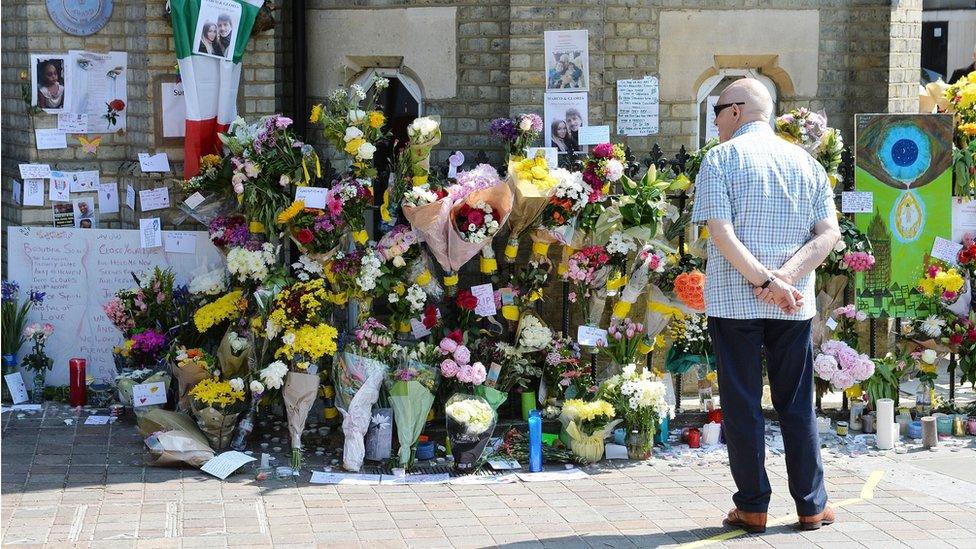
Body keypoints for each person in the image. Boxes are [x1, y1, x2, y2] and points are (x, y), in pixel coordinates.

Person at [691, 78, 841, 534]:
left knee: (742, 404)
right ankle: (812, 505)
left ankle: (753, 506)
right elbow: (828, 234)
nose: (714, 120)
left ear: (737, 111)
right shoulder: (807, 162)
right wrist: (785, 281)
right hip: (792, 304)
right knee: (796, 402)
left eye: (717, 110)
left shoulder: (721, 158)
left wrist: (765, 280)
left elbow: (720, 232)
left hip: (737, 301)